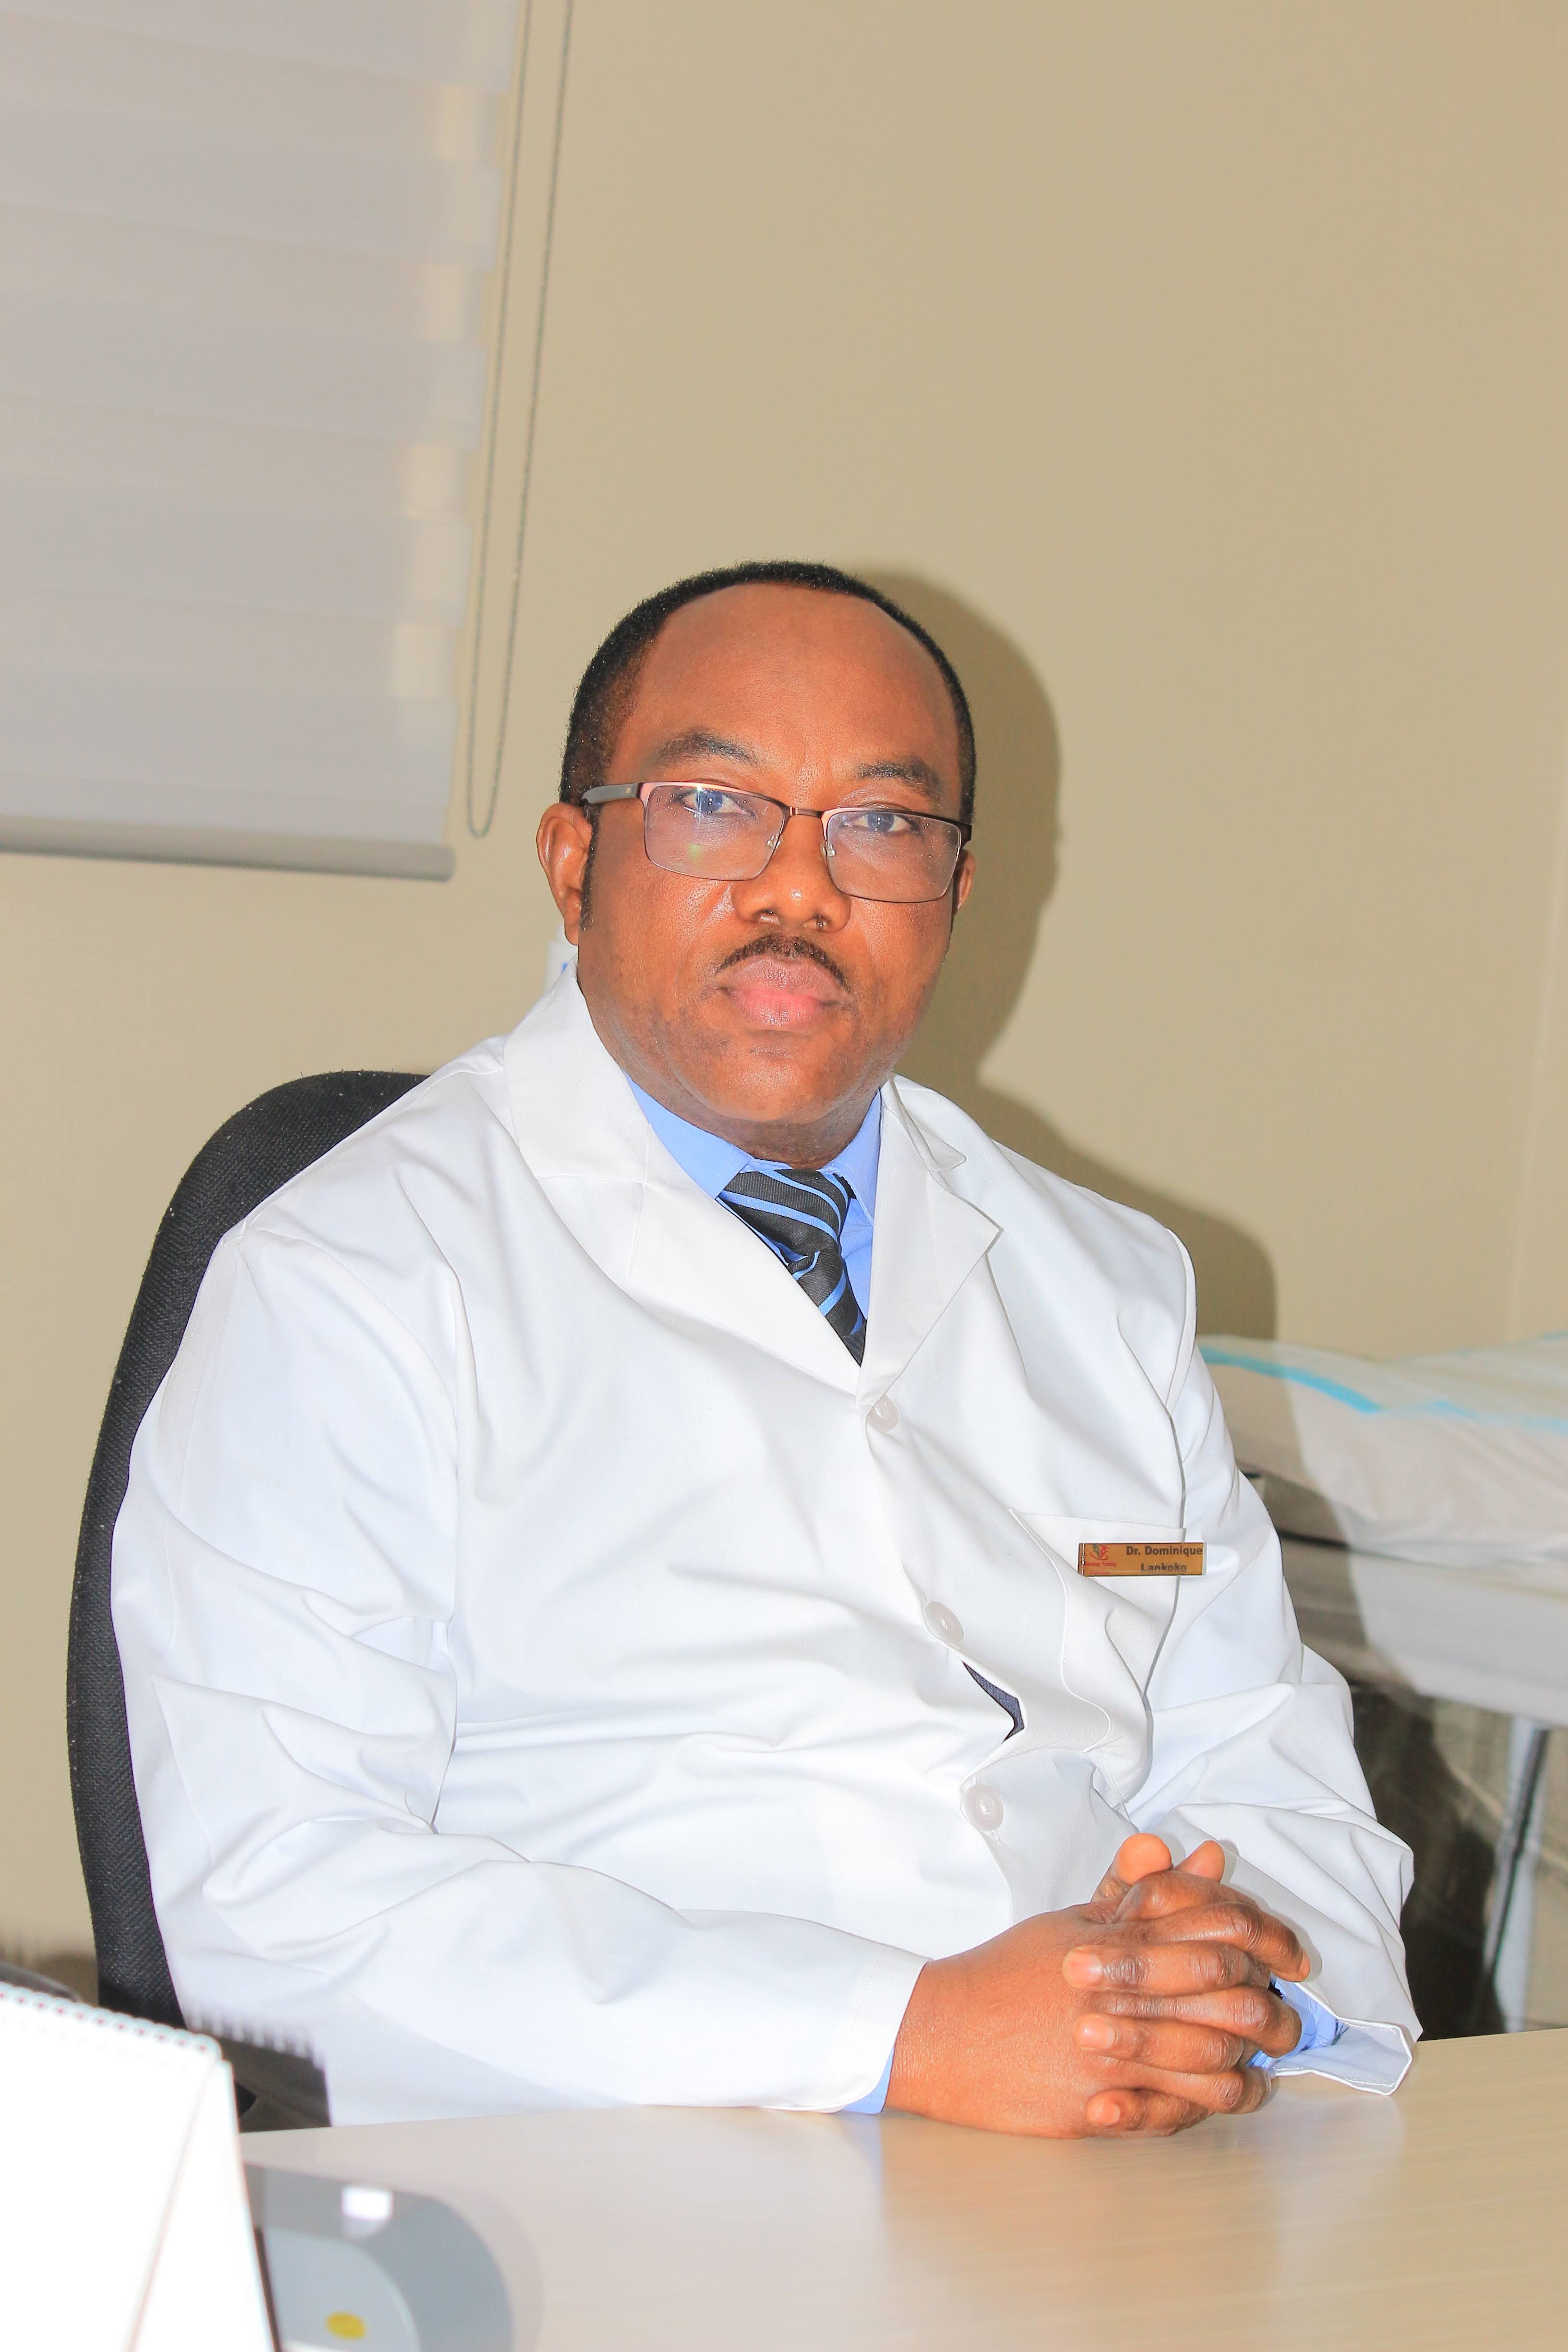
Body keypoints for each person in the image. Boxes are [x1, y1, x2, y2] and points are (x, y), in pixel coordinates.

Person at [112, 561, 1417, 2132]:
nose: (800, 890)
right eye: (715, 807)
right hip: (628, 2188)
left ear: (952, 892)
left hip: (1120, 2171)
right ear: (573, 857)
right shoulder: (349, 1280)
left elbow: (1254, 1752)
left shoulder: (1105, 1284)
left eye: (880, 824)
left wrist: (1237, 1979)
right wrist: (907, 2034)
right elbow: (280, 1897)